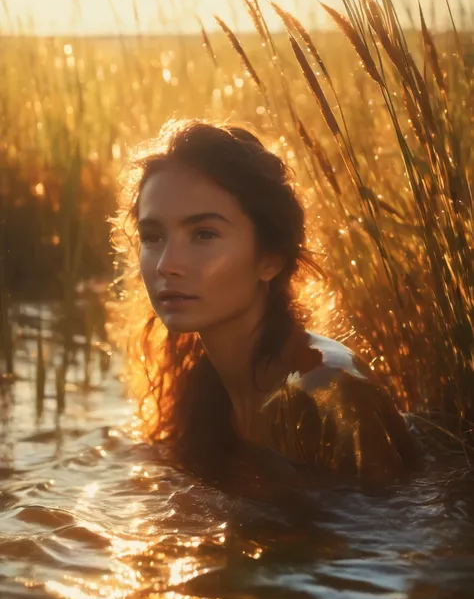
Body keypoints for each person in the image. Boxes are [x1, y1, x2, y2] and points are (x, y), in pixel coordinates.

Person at [110, 119, 419, 506]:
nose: (167, 264)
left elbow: (385, 543)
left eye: (204, 234)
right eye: (153, 236)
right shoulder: (200, 390)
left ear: (269, 259)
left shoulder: (329, 392)